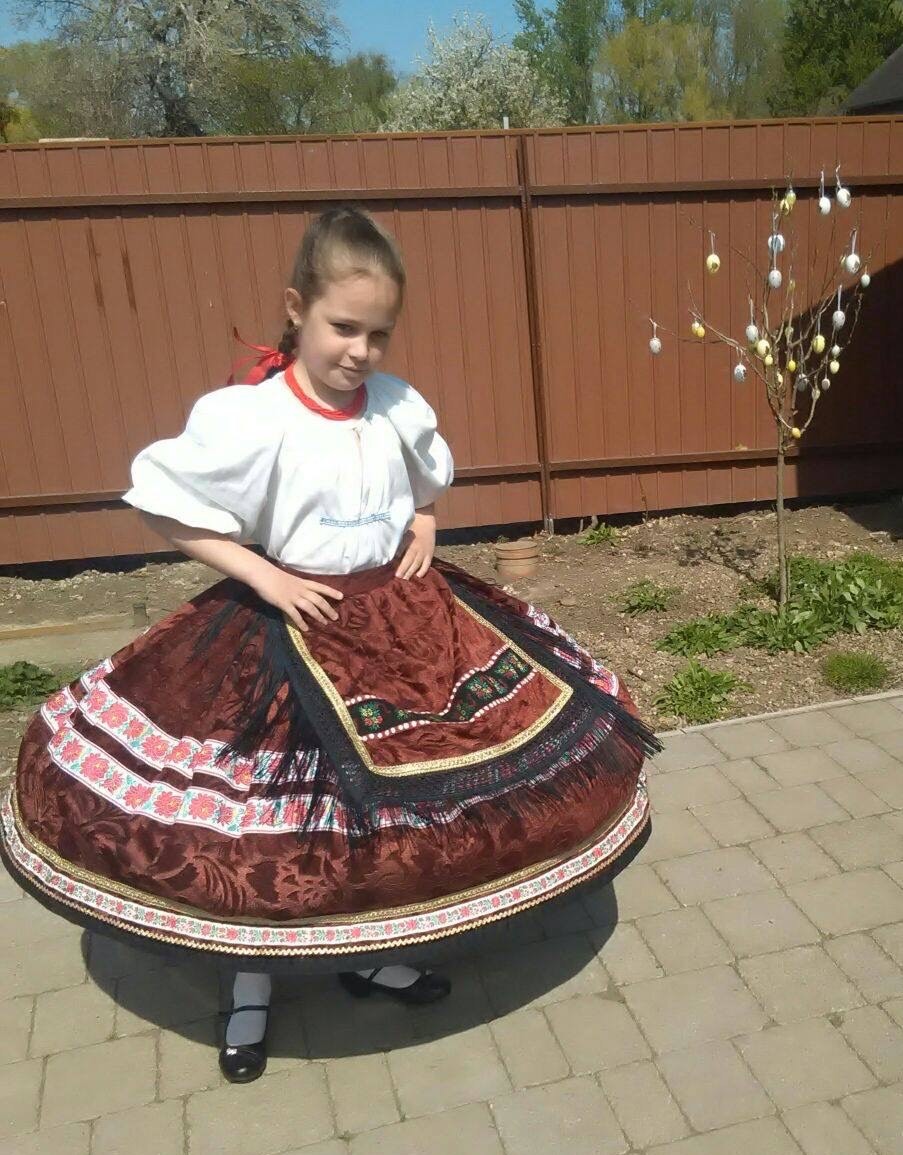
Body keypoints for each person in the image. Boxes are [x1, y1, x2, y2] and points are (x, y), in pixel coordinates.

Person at [0, 206, 659, 1085]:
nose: (360, 350)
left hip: (403, 620)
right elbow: (158, 499)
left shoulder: (395, 405)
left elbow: (424, 476)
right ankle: (250, 982)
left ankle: (365, 952)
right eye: (343, 327)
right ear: (296, 309)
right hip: (291, 625)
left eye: (378, 333)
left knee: (378, 818)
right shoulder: (255, 417)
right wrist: (262, 575)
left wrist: (424, 519)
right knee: (271, 832)